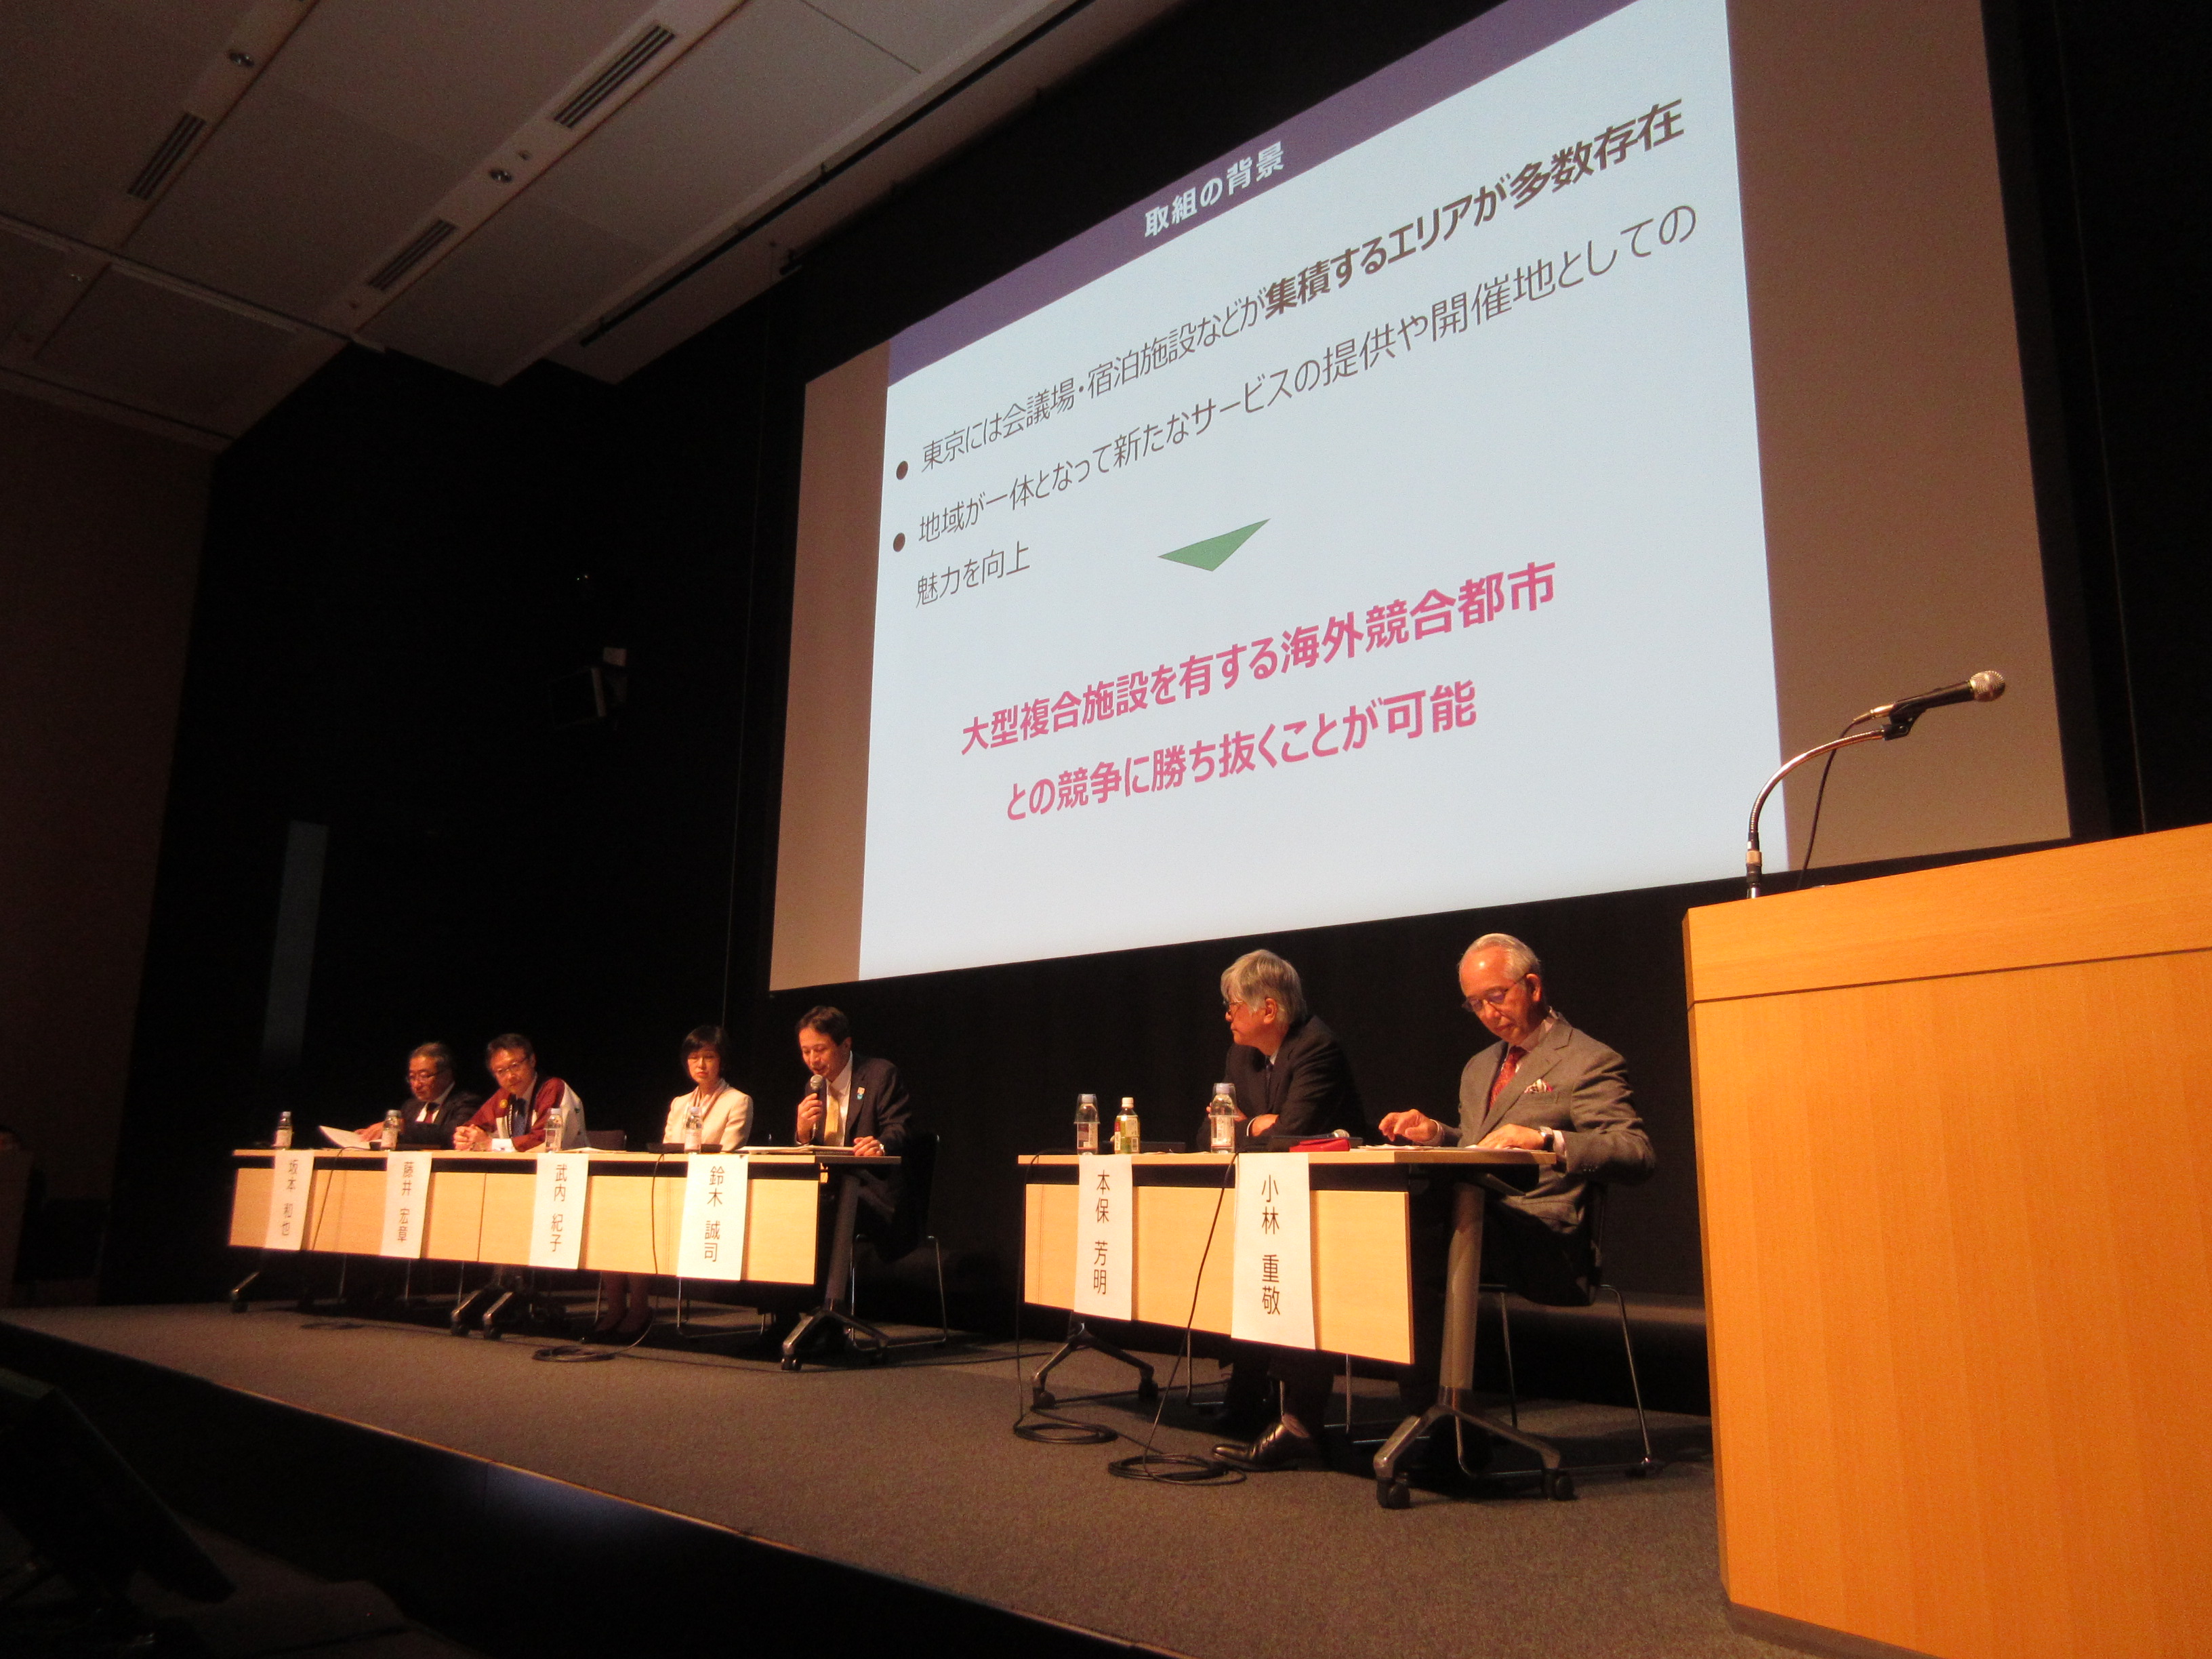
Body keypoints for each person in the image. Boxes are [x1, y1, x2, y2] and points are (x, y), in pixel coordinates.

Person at [1216, 932, 1655, 1473]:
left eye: (1496, 997)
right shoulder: (1480, 1066)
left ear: (1533, 986)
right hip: (1476, 1219)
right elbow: (1480, 1147)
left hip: (1541, 1232)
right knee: (1330, 1234)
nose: (1487, 1013)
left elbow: (1635, 1152)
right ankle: (1305, 1420)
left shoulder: (1587, 1060)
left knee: (1409, 1237)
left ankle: (1443, 1427)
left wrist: (1550, 1140)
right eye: (1475, 1004)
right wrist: (1438, 1134)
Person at [1210, 949, 1364, 1439]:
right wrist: (1258, 1124)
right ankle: (1247, 1393)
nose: (1228, 1015)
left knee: (1284, 1263)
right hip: (1273, 1200)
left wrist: (1249, 1127)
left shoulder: (1317, 1047)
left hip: (1336, 1204)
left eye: (1234, 1005)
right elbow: (1212, 1132)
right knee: (1242, 1259)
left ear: (1269, 1009)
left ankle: (1294, 1412)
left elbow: (1295, 1133)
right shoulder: (1241, 1055)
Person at [592, 1027, 752, 1342]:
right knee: (615, 1221)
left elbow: (729, 1153)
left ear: (722, 1061)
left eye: (709, 1057)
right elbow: (666, 1151)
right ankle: (616, 1308)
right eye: (694, 1058)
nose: (701, 1065)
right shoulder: (680, 1103)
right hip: (673, 1186)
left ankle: (639, 1309)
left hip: (710, 1194)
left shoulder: (738, 1101)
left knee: (641, 1225)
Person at [792, 1007, 911, 1252]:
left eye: (820, 1050)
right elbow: (812, 1149)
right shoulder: (814, 1087)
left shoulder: (879, 1075)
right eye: (806, 1051)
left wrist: (880, 1145)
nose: (813, 1060)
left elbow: (899, 1127)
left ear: (846, 1045)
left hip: (871, 1191)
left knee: (821, 1217)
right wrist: (802, 1133)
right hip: (827, 1189)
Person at [454, 1034, 586, 1151]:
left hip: (564, 1165)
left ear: (532, 1060)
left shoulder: (552, 1088)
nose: (510, 1076)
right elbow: (475, 1125)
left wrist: (492, 1145)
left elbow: (545, 1140)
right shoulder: (503, 1096)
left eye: (515, 1066)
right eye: (501, 1071)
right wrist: (465, 1136)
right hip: (518, 1167)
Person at [353, 1043, 480, 1148]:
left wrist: (401, 1127)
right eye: (412, 1077)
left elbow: (452, 1134)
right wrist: (375, 1135)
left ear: (446, 1075)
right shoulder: (411, 1106)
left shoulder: (468, 1102)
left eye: (424, 1076)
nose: (416, 1085)